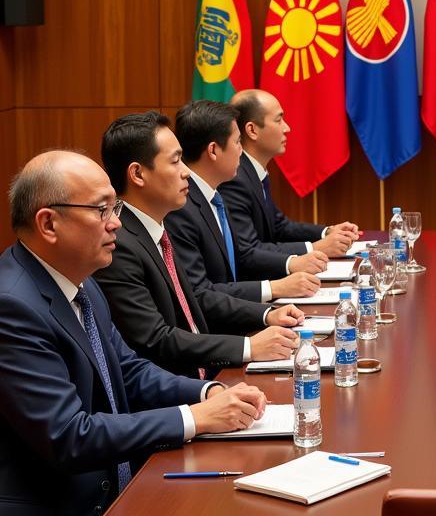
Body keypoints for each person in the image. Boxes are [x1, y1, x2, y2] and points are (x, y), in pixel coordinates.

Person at [0, 150, 264, 516]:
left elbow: (128, 369)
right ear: (48, 224)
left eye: (116, 209)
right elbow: (69, 436)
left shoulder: (80, 281)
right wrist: (192, 420)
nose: (117, 223)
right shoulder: (13, 307)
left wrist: (206, 394)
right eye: (103, 209)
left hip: (109, 497)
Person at [94, 111, 303, 377]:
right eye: (175, 161)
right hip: (177, 394)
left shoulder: (156, 228)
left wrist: (265, 314)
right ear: (137, 174)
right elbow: (156, 339)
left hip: (208, 374)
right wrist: (248, 347)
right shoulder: (119, 244)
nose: (186, 173)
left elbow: (197, 299)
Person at [165, 99, 321, 303]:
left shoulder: (214, 196)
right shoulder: (182, 208)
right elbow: (201, 293)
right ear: (213, 151)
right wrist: (273, 292)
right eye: (238, 142)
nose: (241, 151)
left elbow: (241, 257)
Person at [222, 88, 360, 275]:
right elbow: (249, 251)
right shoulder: (235, 179)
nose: (287, 128)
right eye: (279, 120)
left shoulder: (253, 170)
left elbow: (279, 226)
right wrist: (316, 247)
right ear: (252, 130)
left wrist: (327, 232)